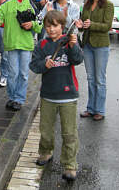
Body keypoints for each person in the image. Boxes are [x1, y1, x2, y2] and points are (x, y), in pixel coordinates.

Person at [29, 10, 83, 181]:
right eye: (48, 26)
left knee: (69, 133)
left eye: (55, 26)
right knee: (45, 130)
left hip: (68, 95)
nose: (52, 30)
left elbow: (77, 60)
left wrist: (73, 46)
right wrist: (45, 64)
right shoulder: (42, 45)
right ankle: (45, 152)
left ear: (62, 27)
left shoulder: (68, 43)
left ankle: (69, 165)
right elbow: (34, 65)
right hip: (48, 95)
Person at [0, 0, 42, 111]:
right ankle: (12, 96)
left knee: (24, 73)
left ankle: (19, 98)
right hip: (12, 43)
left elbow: (39, 24)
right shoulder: (7, 4)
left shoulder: (31, 4)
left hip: (25, 44)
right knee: (12, 73)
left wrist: (32, 24)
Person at [75, 0, 114, 121]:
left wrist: (91, 24)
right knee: (90, 78)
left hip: (101, 45)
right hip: (87, 45)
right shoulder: (86, 5)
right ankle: (90, 108)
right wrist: (79, 25)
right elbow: (83, 25)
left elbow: (106, 26)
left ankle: (100, 110)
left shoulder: (108, 5)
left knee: (100, 79)